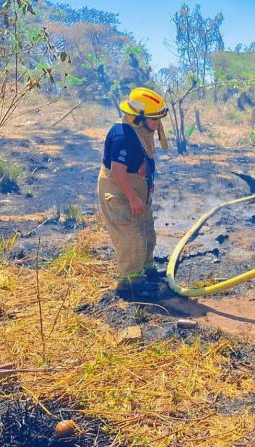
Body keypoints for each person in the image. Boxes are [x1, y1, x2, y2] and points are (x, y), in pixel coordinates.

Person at [97, 87, 169, 300]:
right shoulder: (123, 136)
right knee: (131, 235)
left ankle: (146, 270)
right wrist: (133, 198)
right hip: (120, 190)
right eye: (153, 119)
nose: (157, 124)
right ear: (138, 118)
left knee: (146, 230)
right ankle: (131, 283)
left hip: (137, 186)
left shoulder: (142, 129)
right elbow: (118, 173)